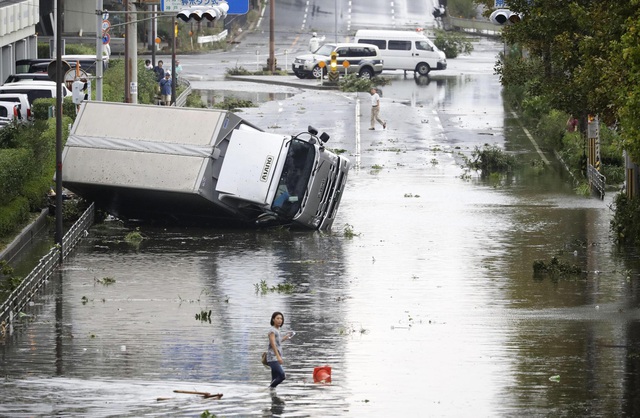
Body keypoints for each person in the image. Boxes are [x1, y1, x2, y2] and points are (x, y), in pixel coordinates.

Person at [266, 311, 293, 390]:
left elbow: (277, 342)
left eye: (281, 318)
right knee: (282, 376)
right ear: (273, 319)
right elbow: (273, 344)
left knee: (274, 379)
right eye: (277, 318)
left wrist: (285, 338)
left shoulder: (277, 330)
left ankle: (272, 395)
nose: (280, 320)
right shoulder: (272, 330)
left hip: (275, 357)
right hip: (273, 358)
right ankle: (269, 389)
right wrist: (278, 357)